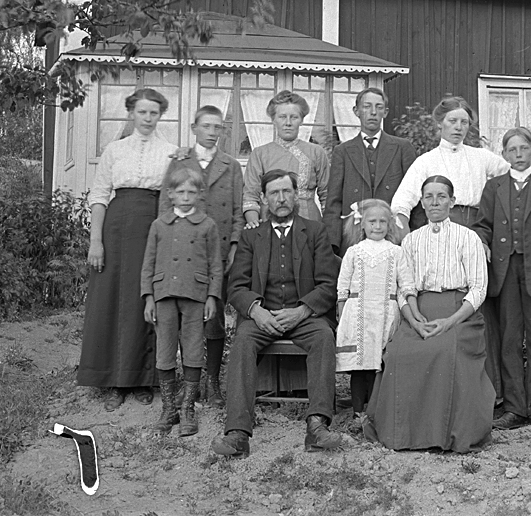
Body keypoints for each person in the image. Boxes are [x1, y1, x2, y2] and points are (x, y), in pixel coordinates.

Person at [212, 170, 342, 457]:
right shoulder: (251, 236)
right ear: (263, 198)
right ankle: (237, 433)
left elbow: (328, 284)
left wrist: (302, 311)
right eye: (274, 193)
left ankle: (317, 425)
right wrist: (256, 311)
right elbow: (236, 287)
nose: (281, 198)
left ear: (296, 195)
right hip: (263, 316)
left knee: (323, 337)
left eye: (286, 192)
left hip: (304, 316)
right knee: (243, 341)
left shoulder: (315, 232)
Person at [390, 95, 510, 403]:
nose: (458, 127)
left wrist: (490, 230)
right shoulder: (426, 161)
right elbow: (401, 204)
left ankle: (489, 394)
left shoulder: (482, 157)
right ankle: (440, 393)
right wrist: (409, 239)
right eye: (452, 121)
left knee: (483, 308)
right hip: (439, 235)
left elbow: (514, 177)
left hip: (478, 233)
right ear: (439, 124)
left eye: (464, 122)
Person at [364, 176, 496, 453]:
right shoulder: (411, 240)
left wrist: (450, 321)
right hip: (419, 309)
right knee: (398, 352)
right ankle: (402, 434)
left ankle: (446, 435)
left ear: (452, 201)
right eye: (428, 197)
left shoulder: (468, 237)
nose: (434, 202)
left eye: (441, 196)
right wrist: (413, 320)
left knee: (446, 350)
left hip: (458, 311)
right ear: (421, 202)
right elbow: (404, 287)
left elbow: (478, 288)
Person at [78, 88, 178, 411]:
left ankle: (143, 379)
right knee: (111, 301)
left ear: (160, 115)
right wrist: (96, 241)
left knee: (144, 298)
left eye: (154, 113)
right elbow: (99, 195)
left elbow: (175, 199)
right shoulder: (115, 150)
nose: (147, 118)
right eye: (142, 112)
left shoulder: (171, 153)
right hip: (116, 230)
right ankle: (113, 381)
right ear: (131, 113)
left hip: (152, 227)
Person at [473, 127, 531, 430]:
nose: (519, 154)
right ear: (504, 154)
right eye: (512, 150)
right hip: (504, 270)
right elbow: (483, 225)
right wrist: (482, 242)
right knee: (509, 337)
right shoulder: (494, 187)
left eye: (524, 148)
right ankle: (514, 406)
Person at [159, 104, 243, 407]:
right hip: (184, 253)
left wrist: (234, 245)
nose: (211, 132)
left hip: (217, 252)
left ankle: (213, 381)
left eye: (217, 127)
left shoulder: (231, 165)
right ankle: (187, 383)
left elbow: (238, 211)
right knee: (185, 316)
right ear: (194, 128)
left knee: (214, 315)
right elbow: (165, 209)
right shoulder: (180, 161)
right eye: (206, 126)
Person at [141, 166, 223, 436]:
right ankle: (169, 409)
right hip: (164, 294)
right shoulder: (159, 225)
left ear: (200, 194)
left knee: (193, 349)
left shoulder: (208, 225)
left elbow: (215, 265)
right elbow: (148, 264)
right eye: (180, 192)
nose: (186, 197)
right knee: (165, 351)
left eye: (191, 192)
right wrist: (149, 297)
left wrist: (211, 297)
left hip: (195, 295)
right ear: (170, 194)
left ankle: (187, 408)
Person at [324, 88, 417, 256]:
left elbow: (414, 196)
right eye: (367, 106)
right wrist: (333, 245)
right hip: (354, 235)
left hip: (392, 235)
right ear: (356, 111)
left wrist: (414, 238)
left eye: (379, 107)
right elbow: (334, 202)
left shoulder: (402, 148)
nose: (373, 112)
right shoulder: (342, 151)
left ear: (385, 112)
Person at [335, 199, 404, 413]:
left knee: (379, 362)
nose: (377, 226)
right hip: (357, 313)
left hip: (385, 313)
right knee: (359, 364)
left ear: (389, 224)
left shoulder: (396, 252)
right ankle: (358, 412)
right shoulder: (354, 252)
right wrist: (342, 311)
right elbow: (343, 285)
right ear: (362, 224)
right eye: (372, 221)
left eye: (383, 221)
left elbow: (405, 283)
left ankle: (376, 411)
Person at [243, 90, 329, 225]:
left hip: (309, 223)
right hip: (270, 223)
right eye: (282, 117)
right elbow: (250, 197)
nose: (288, 123)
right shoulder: (259, 154)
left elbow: (327, 196)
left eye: (294, 117)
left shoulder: (316, 152)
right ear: (273, 120)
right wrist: (255, 226)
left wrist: (328, 228)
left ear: (302, 120)